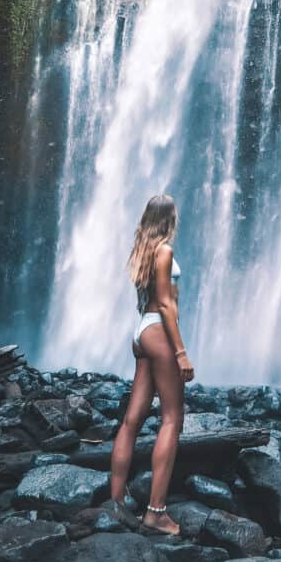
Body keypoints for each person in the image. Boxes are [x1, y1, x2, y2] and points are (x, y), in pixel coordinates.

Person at [109, 194, 195, 535]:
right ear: (169, 219)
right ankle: (156, 511)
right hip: (158, 331)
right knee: (172, 419)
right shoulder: (164, 251)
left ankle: (116, 500)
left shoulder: (143, 252)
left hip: (140, 332)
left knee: (132, 420)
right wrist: (180, 352)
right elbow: (166, 305)